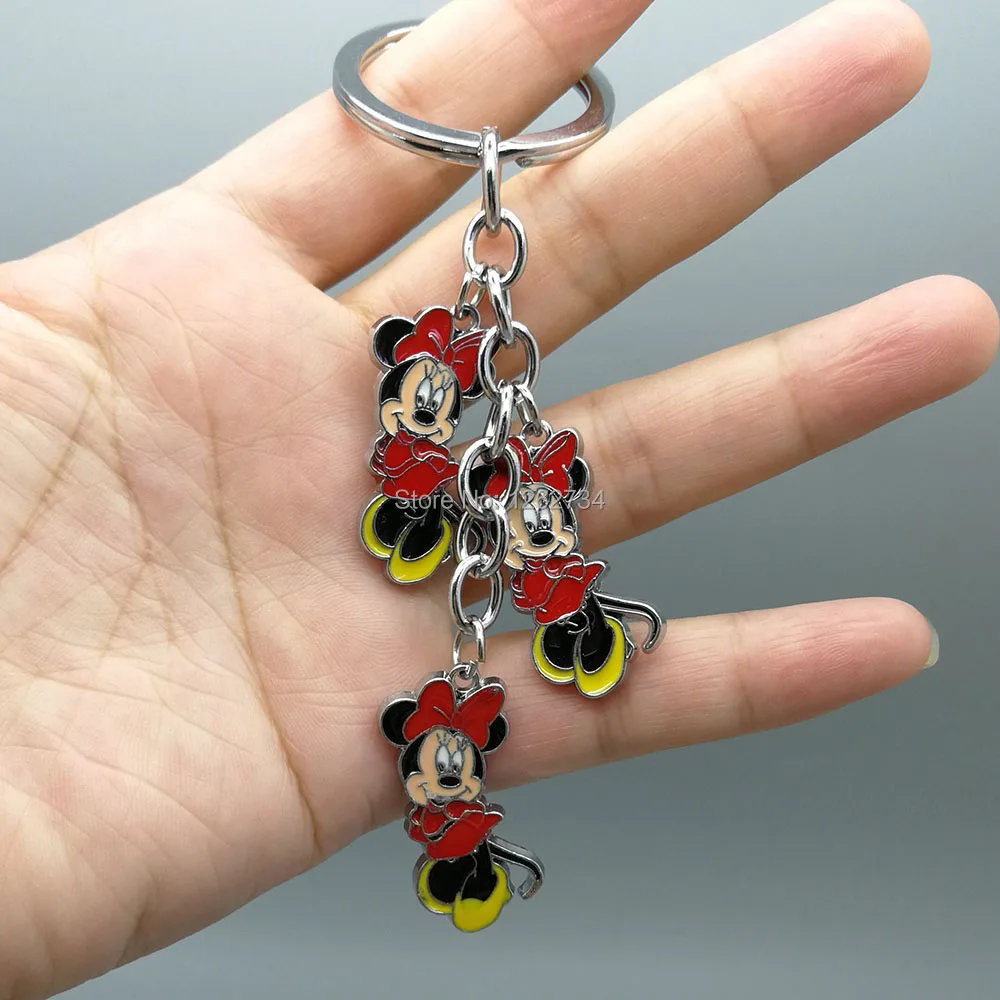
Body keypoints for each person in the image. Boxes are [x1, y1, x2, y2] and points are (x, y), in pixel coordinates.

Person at [0, 0, 993, 995]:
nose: (435, 401)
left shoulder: (510, 486)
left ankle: (568, 625)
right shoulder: (423, 446)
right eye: (424, 390)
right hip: (426, 505)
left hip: (525, 569)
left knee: (532, 572)